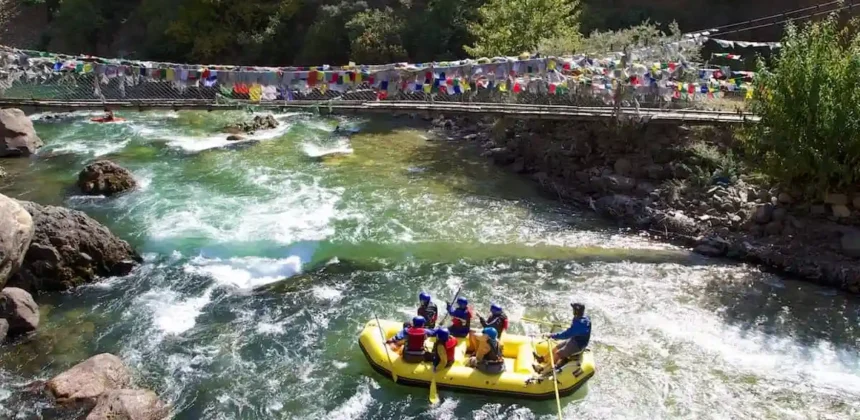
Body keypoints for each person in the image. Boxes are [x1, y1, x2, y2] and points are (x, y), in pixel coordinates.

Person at [535, 302, 591, 372]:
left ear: (576, 311)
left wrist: (552, 335)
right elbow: (573, 331)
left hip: (578, 345)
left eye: (573, 309)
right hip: (575, 339)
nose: (572, 310)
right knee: (558, 346)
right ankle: (542, 359)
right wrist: (572, 330)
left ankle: (544, 369)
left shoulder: (580, 325)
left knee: (558, 353)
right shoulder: (583, 318)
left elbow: (566, 335)